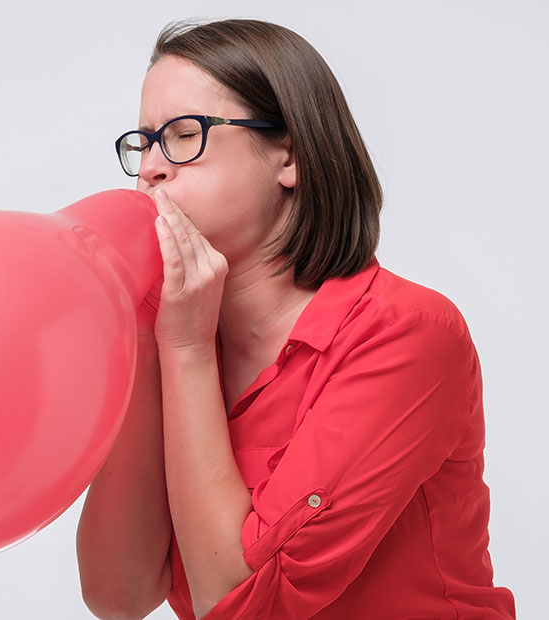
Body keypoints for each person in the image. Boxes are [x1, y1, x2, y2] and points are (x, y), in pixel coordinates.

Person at [76, 18, 516, 620]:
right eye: (144, 141)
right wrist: (157, 343)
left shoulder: (407, 333)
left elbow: (236, 603)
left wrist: (185, 350)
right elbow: (117, 597)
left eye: (185, 134)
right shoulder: (174, 336)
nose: (151, 166)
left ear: (291, 155)